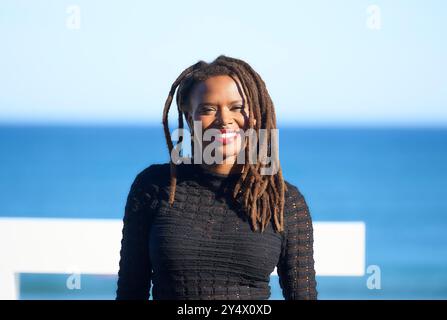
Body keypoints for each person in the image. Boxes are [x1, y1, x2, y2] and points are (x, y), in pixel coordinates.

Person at [116, 55, 317, 300]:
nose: (224, 120)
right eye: (208, 109)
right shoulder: (154, 186)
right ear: (190, 119)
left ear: (254, 116)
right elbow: (130, 292)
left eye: (237, 108)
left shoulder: (284, 200)